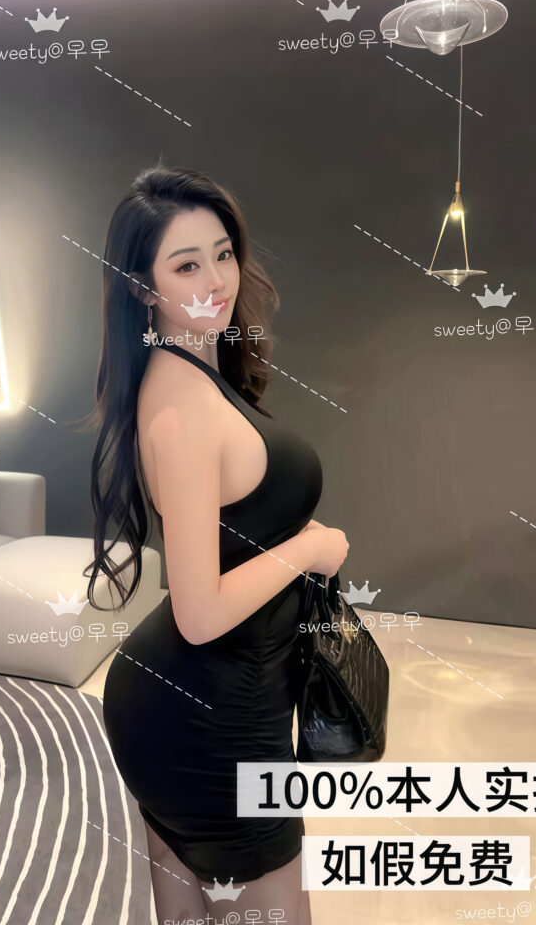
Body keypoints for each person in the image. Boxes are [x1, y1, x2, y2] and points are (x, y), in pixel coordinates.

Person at [81, 165, 348, 924]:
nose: (217, 280)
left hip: (199, 696)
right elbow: (197, 613)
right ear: (143, 288)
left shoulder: (191, 369)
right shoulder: (183, 409)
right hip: (210, 716)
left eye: (223, 254)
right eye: (186, 265)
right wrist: (311, 548)